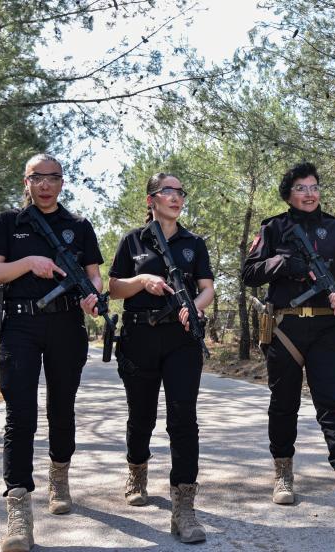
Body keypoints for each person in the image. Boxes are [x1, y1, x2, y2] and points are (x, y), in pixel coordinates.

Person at [241, 162, 335, 522]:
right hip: (284, 327)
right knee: (283, 404)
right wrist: (283, 263)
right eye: (302, 188)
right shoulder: (273, 228)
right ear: (288, 194)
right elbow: (249, 274)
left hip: (325, 328)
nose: (310, 193)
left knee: (333, 405)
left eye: (314, 187)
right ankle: (283, 472)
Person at [0, 153, 103, 552]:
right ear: (26, 182)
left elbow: (94, 276)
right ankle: (18, 509)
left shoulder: (79, 226)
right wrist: (29, 262)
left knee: (61, 407)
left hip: (67, 324)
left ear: (62, 183)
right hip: (19, 325)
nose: (45, 184)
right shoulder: (9, 223)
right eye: (37, 178)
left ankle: (59, 476)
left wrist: (93, 297)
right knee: (20, 414)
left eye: (53, 178)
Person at [108, 172, 214, 544]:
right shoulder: (132, 240)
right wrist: (142, 281)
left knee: (183, 419)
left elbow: (208, 288)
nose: (176, 197)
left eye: (180, 192)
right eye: (168, 191)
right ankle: (137, 470)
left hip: (182, 339)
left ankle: (183, 507)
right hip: (139, 337)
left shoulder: (193, 243)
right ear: (151, 199)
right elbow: (114, 287)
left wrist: (195, 307)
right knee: (141, 417)